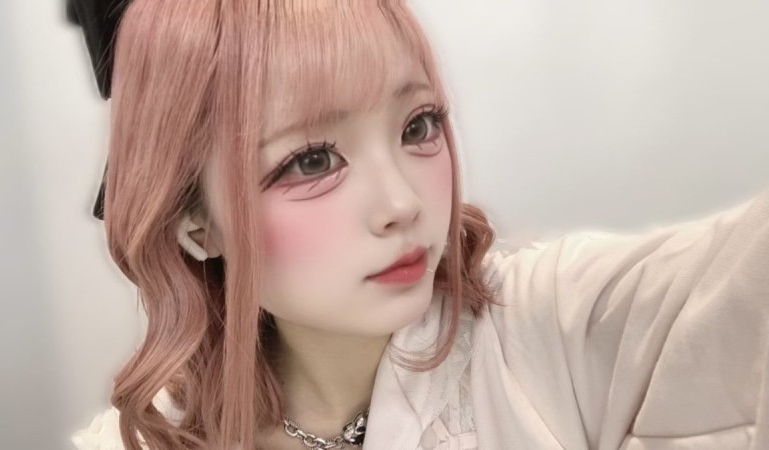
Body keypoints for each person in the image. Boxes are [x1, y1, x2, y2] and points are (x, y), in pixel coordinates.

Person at [68, 1, 769, 449]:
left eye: (418, 125)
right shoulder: (138, 441)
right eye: (312, 160)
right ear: (196, 225)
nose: (402, 203)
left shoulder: (549, 322)